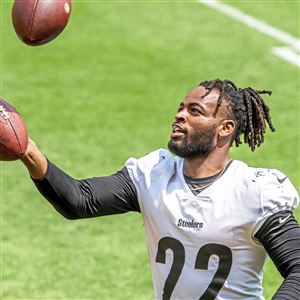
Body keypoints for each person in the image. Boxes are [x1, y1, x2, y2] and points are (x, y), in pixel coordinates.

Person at [20, 79, 299, 299]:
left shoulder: (253, 192)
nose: (179, 115)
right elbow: (79, 201)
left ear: (225, 128)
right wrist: (27, 150)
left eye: (194, 111)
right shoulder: (153, 174)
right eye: (180, 107)